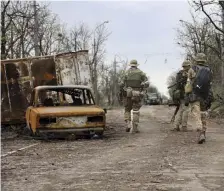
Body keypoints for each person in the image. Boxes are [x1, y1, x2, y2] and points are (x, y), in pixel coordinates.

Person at [185, 53, 213, 144]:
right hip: (206, 96)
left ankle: (200, 132)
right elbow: (210, 83)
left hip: (195, 95)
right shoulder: (209, 70)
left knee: (196, 114)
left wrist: (187, 95)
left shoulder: (192, 69)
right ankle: (203, 133)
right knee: (203, 114)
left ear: (196, 60)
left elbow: (188, 84)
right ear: (204, 60)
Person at [120, 59, 149, 133]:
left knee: (127, 109)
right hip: (137, 93)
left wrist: (123, 91)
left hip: (128, 93)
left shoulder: (126, 73)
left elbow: (121, 84)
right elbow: (147, 83)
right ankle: (135, 128)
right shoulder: (141, 73)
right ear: (136, 65)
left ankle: (128, 124)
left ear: (130, 65)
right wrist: (143, 86)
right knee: (136, 110)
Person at [172, 60, 191, 131]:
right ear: (188, 66)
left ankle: (176, 126)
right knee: (186, 110)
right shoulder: (189, 73)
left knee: (181, 109)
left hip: (180, 94)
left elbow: (177, 85)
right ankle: (184, 126)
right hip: (186, 94)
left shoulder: (179, 73)